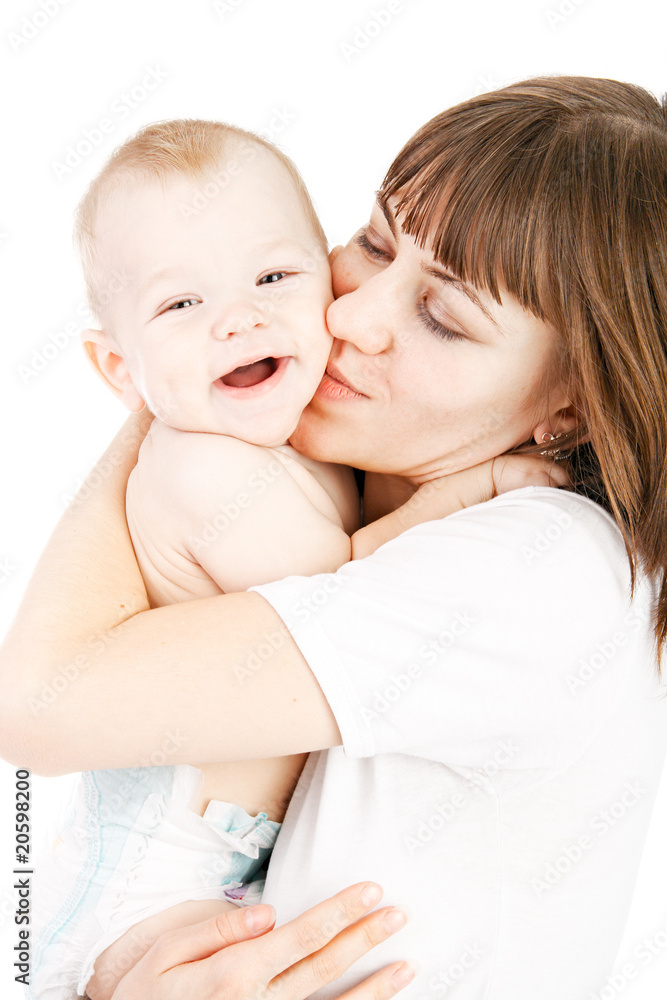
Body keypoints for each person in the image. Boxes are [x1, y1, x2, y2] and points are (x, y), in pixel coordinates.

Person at [3, 75, 667, 998]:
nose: (351, 316)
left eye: (442, 318)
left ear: (571, 408)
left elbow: (36, 709)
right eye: (372, 243)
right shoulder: (313, 481)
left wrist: (174, 372)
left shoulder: (537, 567)